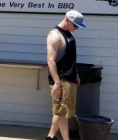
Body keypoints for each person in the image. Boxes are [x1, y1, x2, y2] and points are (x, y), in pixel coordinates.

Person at [46, 10, 85, 140]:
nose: (76, 28)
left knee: (61, 110)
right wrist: (57, 83)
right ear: (67, 19)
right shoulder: (55, 35)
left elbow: (71, 57)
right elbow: (51, 60)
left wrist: (76, 73)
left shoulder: (68, 33)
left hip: (70, 77)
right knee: (64, 113)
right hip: (62, 80)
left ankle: (51, 136)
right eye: (75, 25)